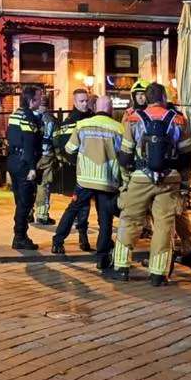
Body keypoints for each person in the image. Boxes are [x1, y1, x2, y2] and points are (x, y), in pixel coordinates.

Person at [109, 82, 191, 286]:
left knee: (130, 221)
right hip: (170, 179)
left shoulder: (133, 119)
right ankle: (158, 274)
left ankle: (121, 267)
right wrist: (184, 184)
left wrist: (127, 181)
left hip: (140, 177)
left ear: (146, 98)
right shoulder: (179, 120)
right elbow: (187, 156)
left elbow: (125, 154)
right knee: (164, 226)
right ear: (164, 98)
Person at [52, 95, 124, 268]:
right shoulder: (118, 128)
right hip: (107, 180)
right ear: (111, 109)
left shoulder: (82, 125)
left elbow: (69, 149)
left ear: (95, 106)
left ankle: (58, 241)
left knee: (72, 210)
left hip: (85, 179)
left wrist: (79, 162)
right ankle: (101, 256)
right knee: (105, 219)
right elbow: (124, 155)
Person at [51, 89, 97, 249]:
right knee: (80, 206)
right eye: (81, 101)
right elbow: (63, 145)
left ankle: (97, 239)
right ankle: (79, 237)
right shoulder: (71, 121)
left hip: (95, 170)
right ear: (75, 102)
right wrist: (75, 162)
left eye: (86, 101)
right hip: (81, 170)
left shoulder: (93, 118)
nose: (85, 104)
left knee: (98, 206)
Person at [4, 85, 44, 250]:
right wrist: (32, 168)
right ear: (32, 100)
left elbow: (9, 136)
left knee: (19, 200)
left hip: (13, 159)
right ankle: (20, 236)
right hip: (23, 163)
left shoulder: (16, 113)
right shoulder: (27, 116)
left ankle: (20, 234)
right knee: (25, 202)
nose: (41, 100)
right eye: (39, 98)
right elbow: (28, 142)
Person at [32, 94, 60, 226]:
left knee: (30, 185)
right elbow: (56, 140)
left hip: (32, 155)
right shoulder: (51, 119)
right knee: (43, 185)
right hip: (47, 155)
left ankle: (27, 213)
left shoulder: (30, 117)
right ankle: (42, 215)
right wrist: (59, 156)